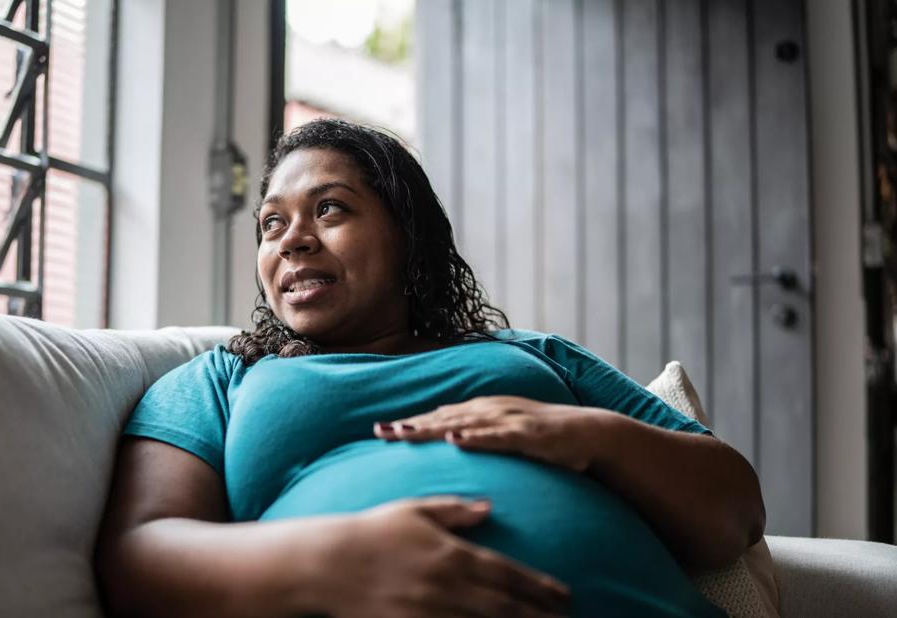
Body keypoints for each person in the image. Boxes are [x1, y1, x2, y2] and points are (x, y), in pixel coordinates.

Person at [95, 119, 765, 617]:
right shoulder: (219, 380)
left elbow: (734, 513)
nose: (292, 238)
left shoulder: (536, 357)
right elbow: (138, 558)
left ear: (406, 237)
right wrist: (326, 561)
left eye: (328, 208)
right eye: (271, 223)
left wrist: (591, 436)